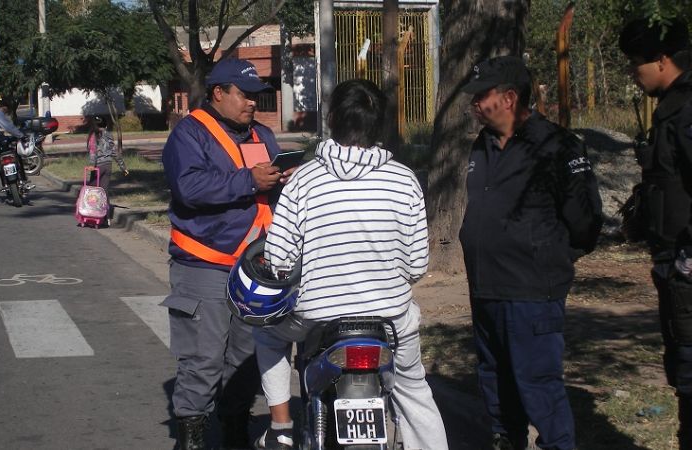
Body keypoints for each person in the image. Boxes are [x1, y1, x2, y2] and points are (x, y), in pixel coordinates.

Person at [248, 79, 449, 450]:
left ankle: (281, 426)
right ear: (380, 124)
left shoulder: (303, 182)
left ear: (332, 118)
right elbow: (417, 263)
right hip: (389, 321)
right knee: (415, 392)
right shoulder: (404, 181)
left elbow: (278, 260)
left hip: (317, 317)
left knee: (266, 334)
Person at [459, 55, 603, 450]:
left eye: (482, 96)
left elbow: (585, 223)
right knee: (495, 379)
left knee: (537, 383)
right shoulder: (482, 145)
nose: (474, 104)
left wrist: (546, 255)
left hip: (532, 294)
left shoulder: (556, 146)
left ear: (508, 98)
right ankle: (507, 440)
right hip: (486, 289)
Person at [161, 58, 293, 450]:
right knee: (203, 360)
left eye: (256, 96)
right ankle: (192, 435)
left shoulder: (262, 136)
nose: (252, 102)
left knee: (248, 357)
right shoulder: (189, 135)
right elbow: (189, 188)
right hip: (204, 265)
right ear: (219, 93)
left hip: (256, 268)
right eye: (244, 94)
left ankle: (234, 427)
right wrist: (248, 180)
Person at [618, 18, 692, 450]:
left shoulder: (686, 110)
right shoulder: (671, 106)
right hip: (673, 266)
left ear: (662, 60)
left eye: (636, 63)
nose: (634, 72)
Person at [86, 115, 128, 192]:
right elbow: (114, 152)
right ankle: (105, 204)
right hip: (108, 165)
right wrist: (123, 167)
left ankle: (95, 204)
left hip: (98, 166)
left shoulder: (94, 135)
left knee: (93, 190)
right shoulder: (109, 135)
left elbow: (93, 151)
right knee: (104, 191)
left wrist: (92, 164)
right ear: (105, 125)